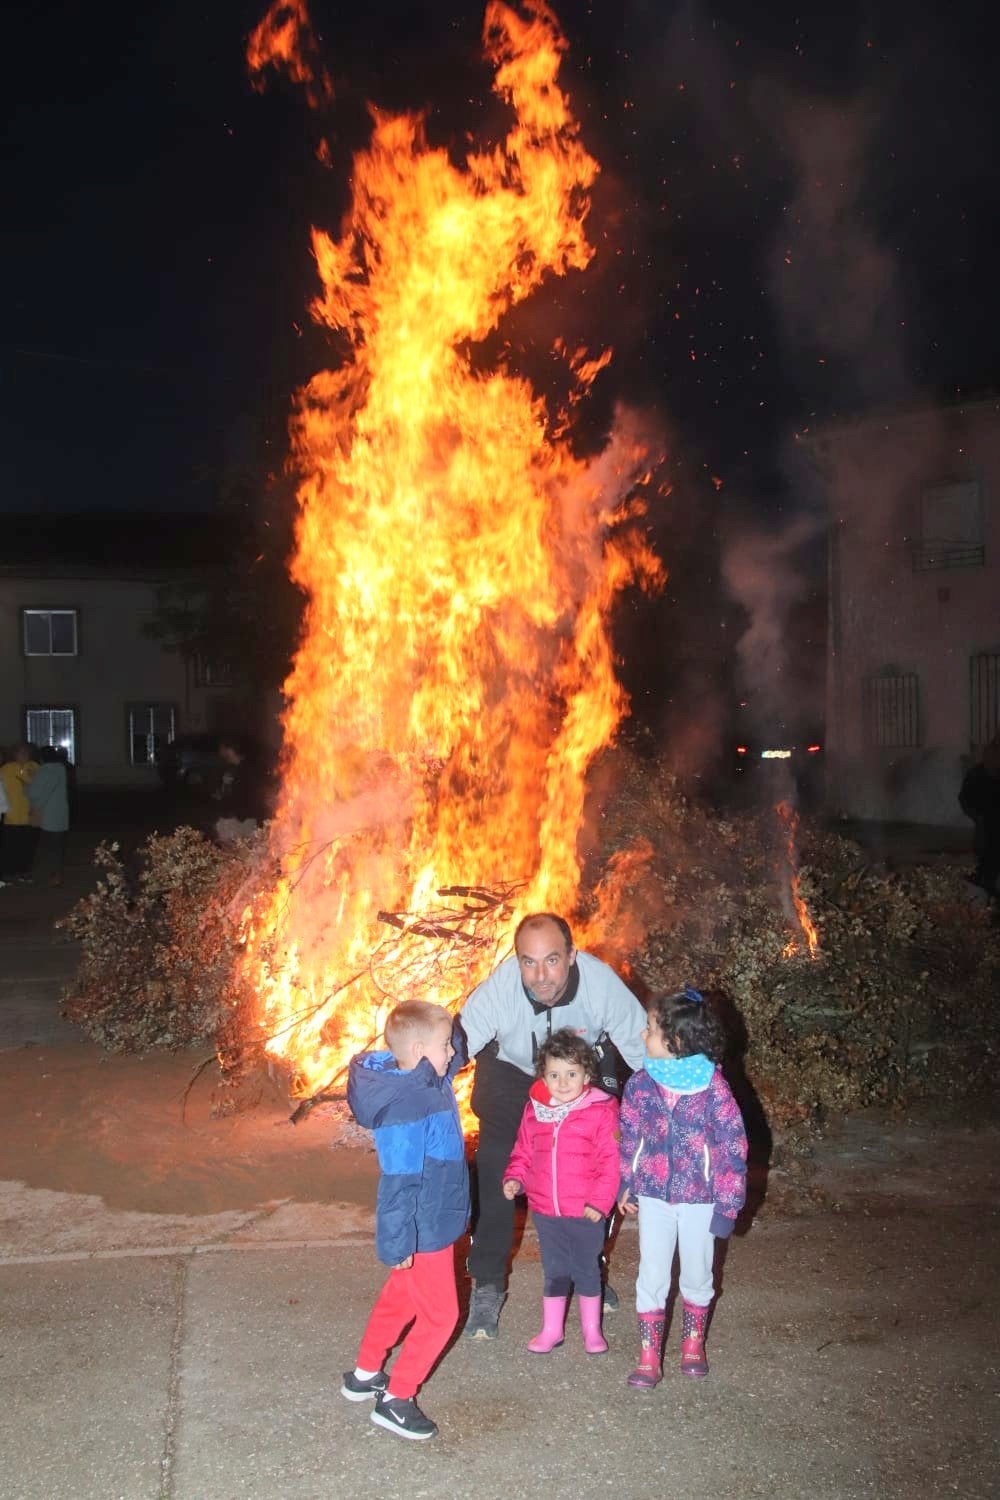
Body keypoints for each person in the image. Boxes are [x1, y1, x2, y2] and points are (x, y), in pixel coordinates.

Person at [458, 911, 647, 1339]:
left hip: (578, 1070)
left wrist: (667, 1111)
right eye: (529, 961)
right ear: (516, 960)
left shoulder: (600, 984)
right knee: (496, 1165)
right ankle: (487, 1282)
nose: (540, 976)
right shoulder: (502, 989)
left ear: (572, 955)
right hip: (511, 1072)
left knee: (593, 1168)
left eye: (552, 960)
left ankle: (587, 1271)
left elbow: (641, 1051)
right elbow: (457, 1045)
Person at [342, 1000, 469, 1441]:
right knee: (440, 1316)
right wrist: (397, 1243)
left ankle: (364, 1373)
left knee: (402, 1298)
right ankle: (396, 1399)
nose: (452, 1052)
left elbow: (454, 1054)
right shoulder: (407, 1105)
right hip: (424, 1225)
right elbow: (398, 1182)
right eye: (444, 1045)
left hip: (433, 1215)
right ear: (417, 1049)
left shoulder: (424, 1079)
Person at [617, 986, 748, 1390]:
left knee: (697, 1271)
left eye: (651, 1029)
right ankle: (648, 1352)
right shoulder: (640, 1085)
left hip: (701, 1200)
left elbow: (731, 1148)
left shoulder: (713, 1089)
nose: (643, 1036)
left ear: (676, 1041)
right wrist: (628, 1182)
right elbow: (629, 1136)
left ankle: (693, 1341)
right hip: (655, 1194)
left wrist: (727, 1206)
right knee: (651, 1272)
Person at [502, 1029, 620, 1356]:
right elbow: (523, 1152)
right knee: (554, 1269)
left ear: (586, 1074)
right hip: (546, 1210)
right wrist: (515, 1178)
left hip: (585, 1210)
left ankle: (591, 1330)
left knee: (585, 1268)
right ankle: (552, 1329)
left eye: (571, 1074)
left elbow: (611, 1161)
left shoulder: (601, 1110)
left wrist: (600, 1201)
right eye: (554, 1074)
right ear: (543, 1075)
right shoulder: (535, 1110)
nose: (563, 1082)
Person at [959, 734, 1000, 898]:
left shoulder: (977, 773)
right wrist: (978, 816)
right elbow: (965, 798)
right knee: (987, 870)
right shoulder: (977, 774)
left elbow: (964, 799)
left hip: (986, 827)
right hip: (988, 827)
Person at [26, 746, 70, 887]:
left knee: (46, 847)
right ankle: (56, 875)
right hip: (60, 814)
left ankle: (48, 874)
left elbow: (35, 793)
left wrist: (26, 787)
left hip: (47, 815)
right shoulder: (61, 769)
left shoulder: (44, 771)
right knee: (57, 847)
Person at [0, 743, 40, 885]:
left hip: (29, 815)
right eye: (20, 752)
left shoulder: (34, 767)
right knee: (10, 847)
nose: (23, 755)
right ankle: (9, 872)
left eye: (25, 752)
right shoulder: (6, 769)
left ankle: (25, 872)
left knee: (28, 847)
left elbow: (39, 787)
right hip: (11, 817)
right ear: (14, 754)